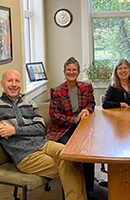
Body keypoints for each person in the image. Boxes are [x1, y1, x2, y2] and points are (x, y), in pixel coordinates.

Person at [0, 69, 87, 200]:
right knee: (70, 166)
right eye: (10, 80)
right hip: (25, 155)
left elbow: (40, 129)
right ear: (2, 84)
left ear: (21, 84)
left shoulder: (29, 104)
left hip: (45, 144)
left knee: (72, 157)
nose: (14, 84)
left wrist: (15, 130)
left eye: (17, 81)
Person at [46, 57, 95, 196]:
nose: (71, 72)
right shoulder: (56, 91)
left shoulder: (86, 87)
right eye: (68, 70)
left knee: (89, 148)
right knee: (72, 151)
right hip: (61, 129)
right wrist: (74, 119)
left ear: (78, 72)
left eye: (74, 70)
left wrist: (87, 110)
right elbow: (54, 115)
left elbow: (91, 104)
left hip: (81, 126)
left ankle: (88, 189)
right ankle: (70, 191)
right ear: (64, 72)